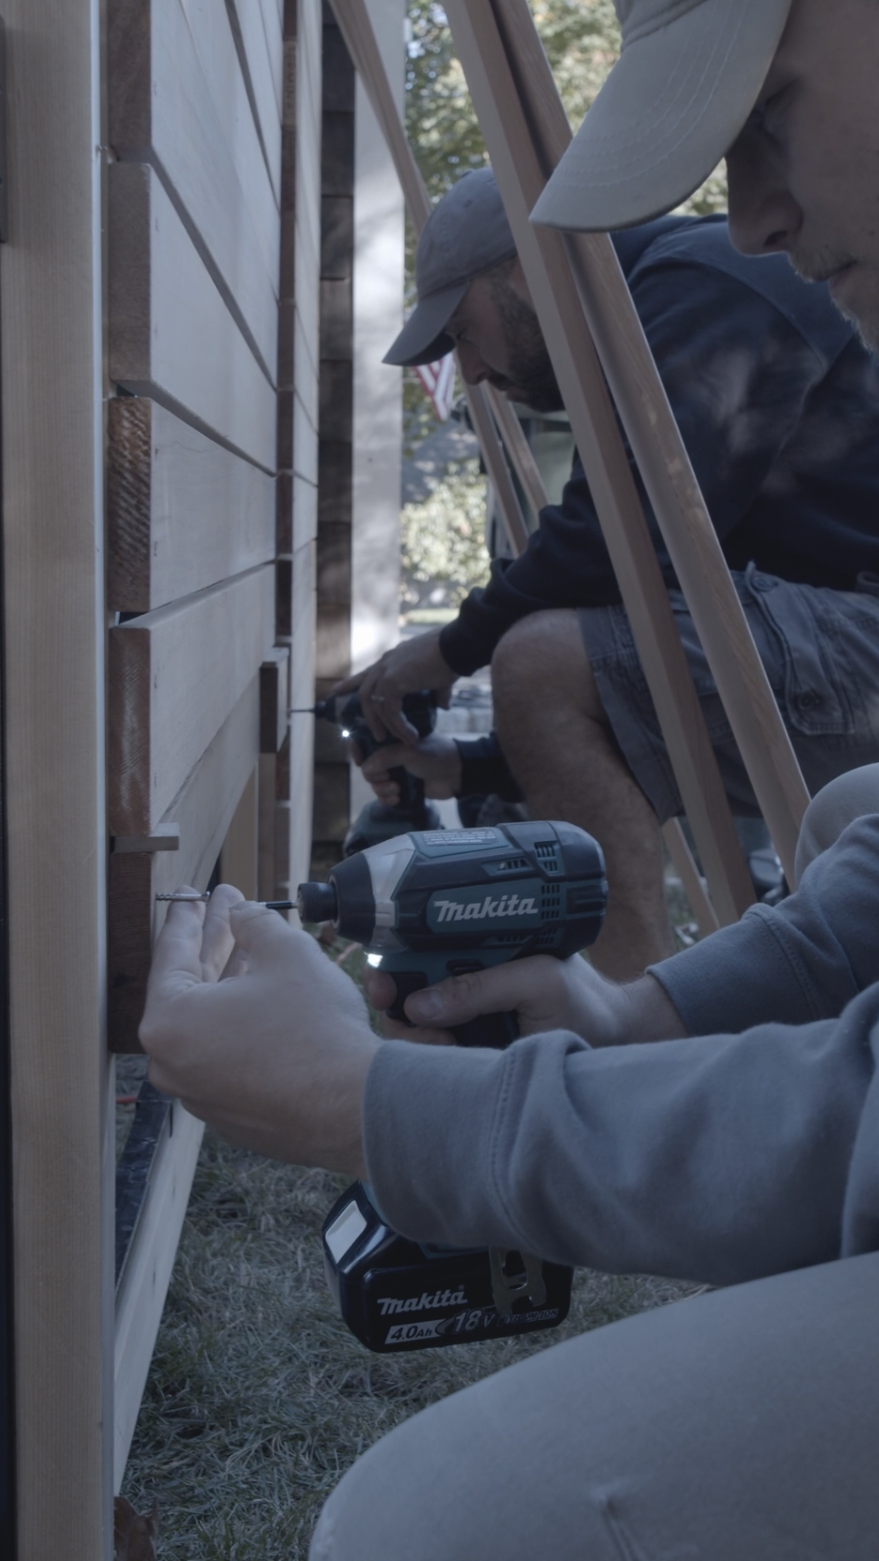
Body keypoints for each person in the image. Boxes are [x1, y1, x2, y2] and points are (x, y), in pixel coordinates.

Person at [140, 2, 879, 1556]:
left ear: (516, 282)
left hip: (852, 642)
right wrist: (627, 1034)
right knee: (831, 823)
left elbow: (620, 546)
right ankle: (627, 986)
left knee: (416, 1526)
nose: (749, 206)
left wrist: (395, 1111)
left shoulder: (693, 287)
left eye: (760, 116)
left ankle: (626, 965)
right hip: (828, 691)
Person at [343, 167, 879, 977]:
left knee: (539, 655)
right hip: (842, 647)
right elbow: (655, 659)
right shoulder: (658, 314)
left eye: (461, 330)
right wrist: (473, 763)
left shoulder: (709, 283)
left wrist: (451, 648)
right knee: (561, 657)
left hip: (862, 641)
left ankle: (626, 1048)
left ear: (525, 266)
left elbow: (627, 532)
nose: (474, 371)